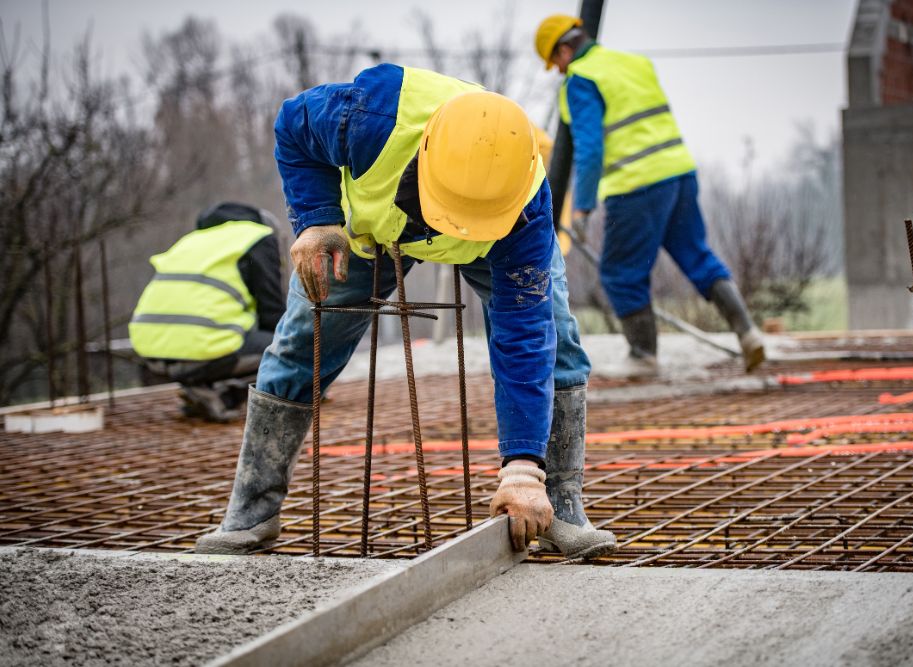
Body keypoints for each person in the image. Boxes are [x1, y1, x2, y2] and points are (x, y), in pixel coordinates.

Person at [193, 64, 617, 559]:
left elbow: (526, 338)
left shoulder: (526, 208)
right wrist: (316, 220)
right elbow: (292, 125)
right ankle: (251, 511)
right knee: (301, 343)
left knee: (558, 341)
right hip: (373, 233)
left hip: (494, 247)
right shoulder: (368, 117)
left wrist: (523, 467)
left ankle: (559, 506)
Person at [535, 15, 766, 375]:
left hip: (635, 186)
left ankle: (643, 356)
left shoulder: (581, 80)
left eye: (556, 63)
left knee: (619, 272)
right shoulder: (633, 63)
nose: (559, 71)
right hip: (679, 174)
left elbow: (590, 149)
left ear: (564, 50)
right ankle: (749, 333)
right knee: (696, 254)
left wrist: (582, 209)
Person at [129, 202, 284, 422]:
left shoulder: (191, 240)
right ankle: (224, 395)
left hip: (150, 353)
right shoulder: (258, 236)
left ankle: (199, 388)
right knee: (293, 347)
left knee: (230, 342)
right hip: (203, 349)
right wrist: (302, 374)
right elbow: (272, 313)